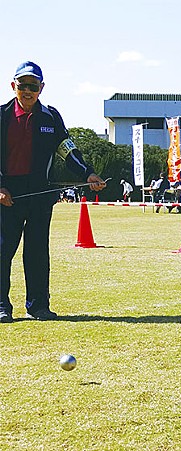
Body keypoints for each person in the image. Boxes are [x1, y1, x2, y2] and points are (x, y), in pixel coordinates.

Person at [0, 61, 106, 323]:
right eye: (22, 85)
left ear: (41, 88)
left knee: (37, 252)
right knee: (2, 251)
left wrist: (87, 174)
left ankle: (38, 306)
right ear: (13, 86)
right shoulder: (1, 115)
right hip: (7, 194)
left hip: (40, 193)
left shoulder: (51, 116)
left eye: (33, 86)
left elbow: (67, 149)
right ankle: (2, 306)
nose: (27, 91)